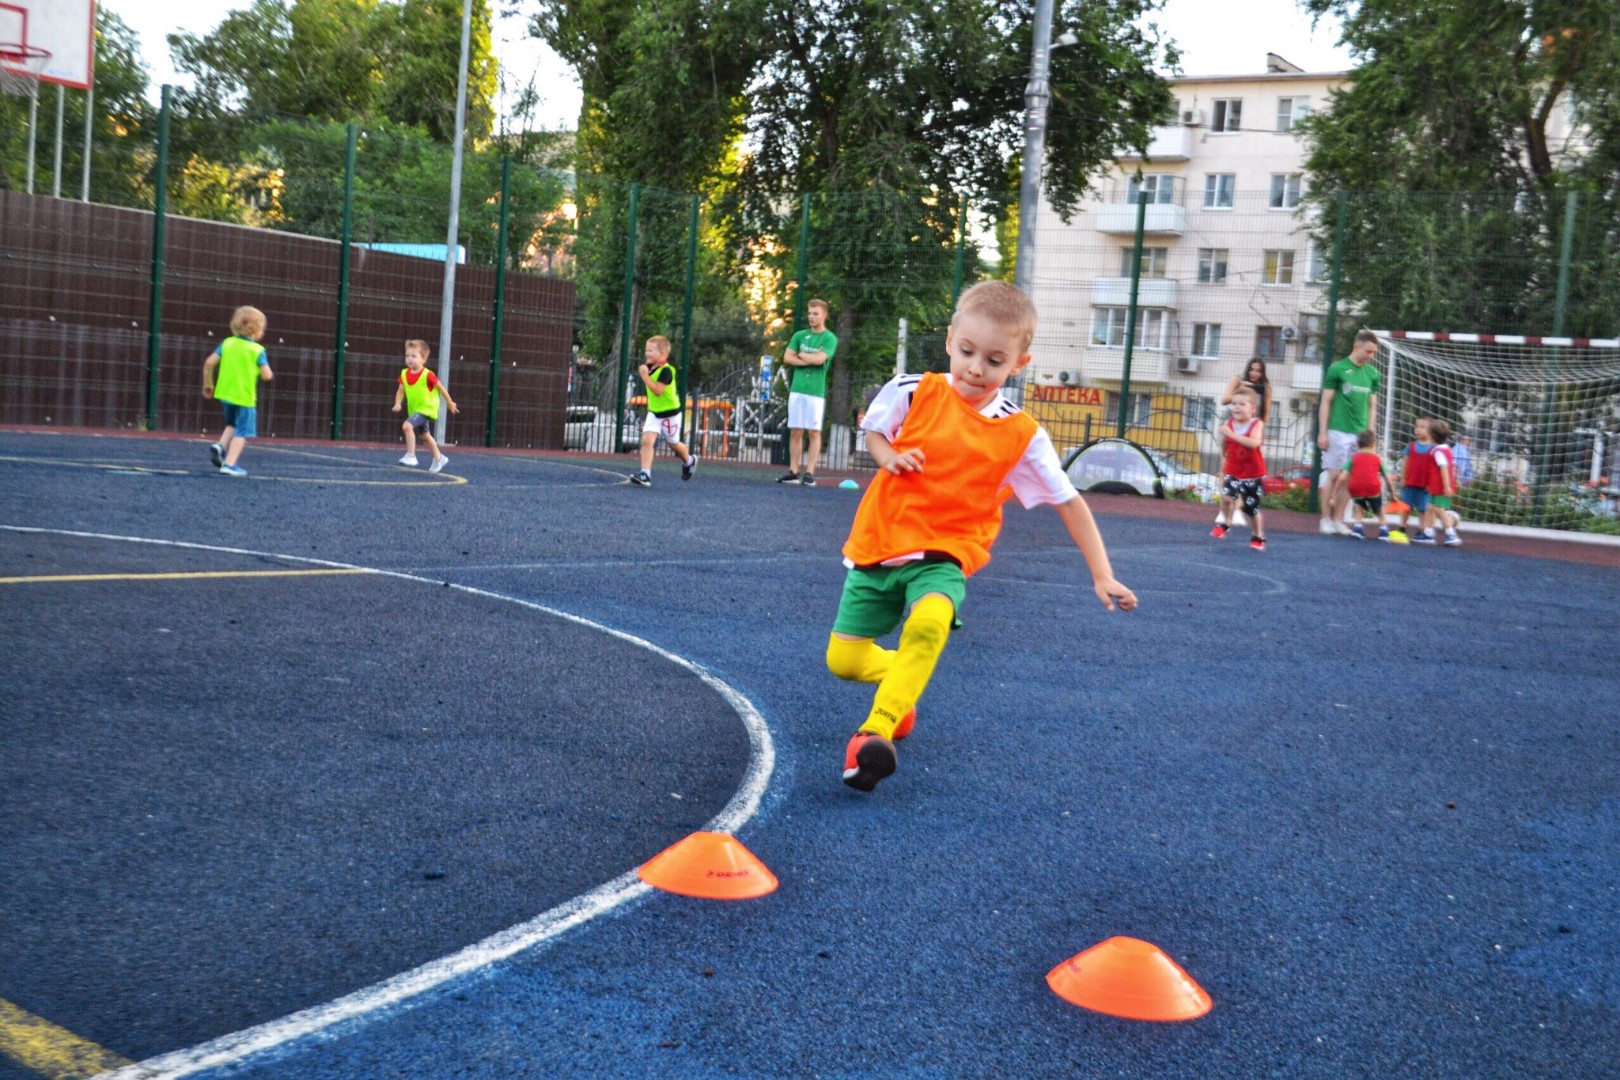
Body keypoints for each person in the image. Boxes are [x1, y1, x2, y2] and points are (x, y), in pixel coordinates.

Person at [825, 282, 1137, 793]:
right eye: (967, 352)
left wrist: (1102, 573)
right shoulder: (911, 389)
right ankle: (900, 694)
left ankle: (871, 735)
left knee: (929, 624)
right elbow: (876, 433)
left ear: (1019, 363)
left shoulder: (1022, 433)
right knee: (844, 661)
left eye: (994, 360)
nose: (976, 368)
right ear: (950, 340)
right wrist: (889, 458)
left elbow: (1069, 500)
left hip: (946, 554)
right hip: (880, 544)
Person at [1317, 330, 1381, 536]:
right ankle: (1325, 519)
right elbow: (1325, 402)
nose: (1371, 356)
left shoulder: (1372, 374)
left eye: (1373, 353)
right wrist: (1322, 432)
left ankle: (1339, 520)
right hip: (1338, 431)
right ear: (1357, 346)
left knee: (1350, 478)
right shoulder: (1337, 369)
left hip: (1360, 435)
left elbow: (1372, 405)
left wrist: (1369, 433)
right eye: (1368, 351)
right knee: (1334, 475)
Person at [202, 305, 273, 477]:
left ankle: (220, 445)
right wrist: (261, 372)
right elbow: (267, 375)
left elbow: (209, 363)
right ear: (256, 330)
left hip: (225, 393)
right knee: (242, 431)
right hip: (245, 396)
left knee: (231, 423)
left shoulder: (227, 343)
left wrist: (208, 384)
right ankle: (230, 464)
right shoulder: (257, 350)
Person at [777, 298, 837, 486]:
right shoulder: (799, 335)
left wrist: (802, 355)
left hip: (815, 392)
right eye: (810, 313)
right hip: (797, 389)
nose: (811, 317)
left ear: (824, 315)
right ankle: (794, 470)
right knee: (796, 430)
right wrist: (808, 358)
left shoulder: (829, 338)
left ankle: (809, 472)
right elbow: (787, 357)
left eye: (815, 313)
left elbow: (820, 360)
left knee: (814, 431)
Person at [628, 335, 697, 488]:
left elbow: (658, 390)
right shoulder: (649, 367)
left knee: (673, 443)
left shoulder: (667, 371)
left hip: (670, 414)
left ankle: (689, 461)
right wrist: (646, 373)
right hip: (654, 413)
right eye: (646, 350)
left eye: (651, 351)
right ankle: (645, 474)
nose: (647, 353)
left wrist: (645, 376)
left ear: (662, 354)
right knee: (647, 440)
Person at [1211, 387, 1267, 550]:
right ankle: (1225, 523)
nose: (1236, 407)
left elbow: (1253, 443)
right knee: (1226, 497)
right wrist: (1224, 463)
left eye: (1242, 404)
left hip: (1252, 473)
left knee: (1251, 508)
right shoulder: (1229, 424)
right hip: (1233, 470)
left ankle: (1258, 535)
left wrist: (1230, 434)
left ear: (1252, 408)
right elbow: (1226, 446)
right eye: (1234, 404)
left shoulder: (1256, 424)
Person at [392, 339, 458, 473]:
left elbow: (441, 388)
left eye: (414, 356)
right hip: (416, 410)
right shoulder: (404, 374)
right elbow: (400, 390)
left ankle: (411, 455)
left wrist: (450, 402)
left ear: (424, 359)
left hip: (426, 408)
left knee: (407, 426)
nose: (409, 359)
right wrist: (398, 403)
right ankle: (439, 458)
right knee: (425, 436)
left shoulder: (428, 375)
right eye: (407, 356)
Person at [1413, 418, 1462, 546]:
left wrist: (1446, 486)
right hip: (1434, 487)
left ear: (1431, 435)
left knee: (1439, 510)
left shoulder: (1439, 452)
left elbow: (1444, 468)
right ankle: (1428, 533)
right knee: (1429, 508)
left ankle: (1451, 534)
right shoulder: (1440, 449)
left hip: (1440, 488)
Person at [1345, 429, 1393, 541]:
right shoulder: (1377, 458)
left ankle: (1358, 528)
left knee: (1359, 505)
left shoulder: (1353, 458)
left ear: (1357, 445)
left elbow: (1343, 476)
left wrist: (1334, 495)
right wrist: (1393, 494)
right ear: (1373, 445)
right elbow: (1388, 479)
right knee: (1380, 508)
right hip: (1373, 488)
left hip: (1356, 488)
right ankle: (1383, 531)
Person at [1391, 416, 1434, 541]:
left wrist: (1431, 484)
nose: (1418, 430)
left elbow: (1433, 469)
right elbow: (1405, 463)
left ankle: (1422, 528)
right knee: (1406, 507)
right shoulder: (1411, 446)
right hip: (1410, 483)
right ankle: (1402, 527)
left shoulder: (1432, 449)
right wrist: (1403, 478)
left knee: (1423, 508)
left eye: (1422, 427)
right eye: (1417, 427)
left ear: (1430, 431)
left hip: (1424, 485)